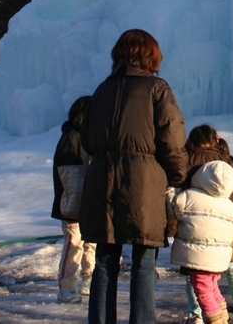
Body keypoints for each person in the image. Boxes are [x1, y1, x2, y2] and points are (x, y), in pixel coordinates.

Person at [80, 29, 188, 324]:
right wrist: (179, 176)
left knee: (105, 260)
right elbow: (172, 139)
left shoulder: (102, 90)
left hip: (102, 182)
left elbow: (87, 140)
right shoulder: (157, 89)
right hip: (143, 185)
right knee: (143, 260)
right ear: (151, 57)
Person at [179, 124, 233, 322]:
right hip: (227, 224)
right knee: (232, 264)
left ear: (191, 142)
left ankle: (196, 313)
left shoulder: (187, 162)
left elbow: (179, 196)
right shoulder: (228, 162)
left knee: (195, 268)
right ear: (216, 141)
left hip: (197, 227)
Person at [168, 161, 233, 324]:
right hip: (219, 260)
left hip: (197, 258)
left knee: (203, 291)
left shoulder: (188, 196)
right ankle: (222, 316)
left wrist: (169, 190)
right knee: (211, 287)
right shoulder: (231, 207)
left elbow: (172, 207)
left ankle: (215, 320)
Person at [51, 95, 96, 304]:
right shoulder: (73, 138)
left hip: (85, 203)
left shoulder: (84, 137)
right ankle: (67, 288)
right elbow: (68, 175)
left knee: (90, 244)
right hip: (73, 205)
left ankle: (89, 280)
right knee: (74, 245)